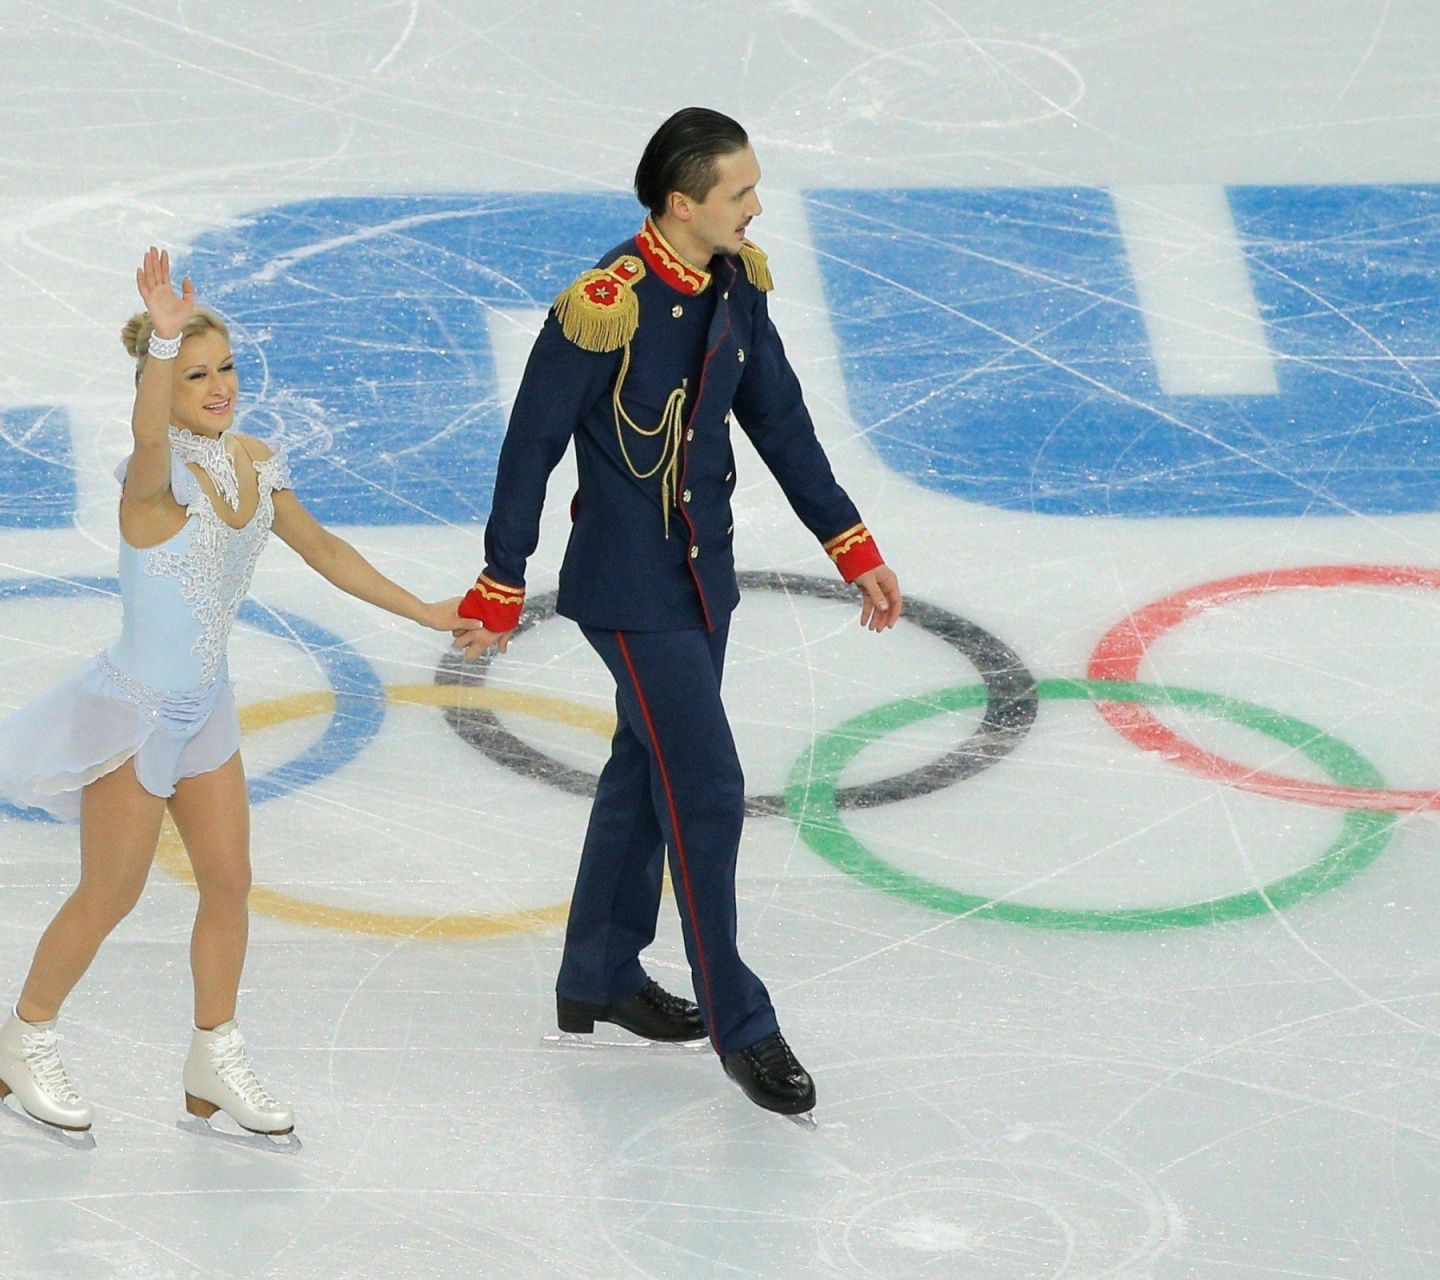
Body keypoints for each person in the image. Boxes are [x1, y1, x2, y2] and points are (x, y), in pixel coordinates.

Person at [454, 108, 903, 1116]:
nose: (755, 205)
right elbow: (528, 446)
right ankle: (743, 1023)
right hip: (629, 590)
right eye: (738, 192)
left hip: (705, 578)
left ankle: (600, 971)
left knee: (642, 768)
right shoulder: (602, 305)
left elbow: (780, 420)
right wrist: (501, 574)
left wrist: (851, 540)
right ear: (681, 202)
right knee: (705, 785)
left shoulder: (735, 283)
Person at [0, 248, 465, 1146]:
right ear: (164, 383)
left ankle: (213, 1054)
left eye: (225, 369)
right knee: (111, 892)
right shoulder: (153, 478)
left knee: (228, 882)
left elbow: (324, 550)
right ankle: (25, 1035)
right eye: (194, 373)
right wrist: (163, 343)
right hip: (134, 716)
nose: (216, 387)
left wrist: (425, 611)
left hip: (207, 709)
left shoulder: (255, 462)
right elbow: (144, 434)